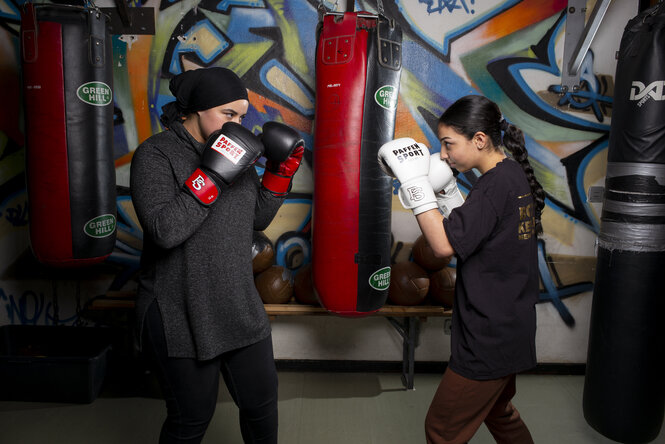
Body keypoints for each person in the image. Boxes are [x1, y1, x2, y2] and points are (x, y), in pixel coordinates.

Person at [130, 66, 304, 444]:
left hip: (236, 300)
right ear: (194, 110)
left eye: (242, 116)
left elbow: (254, 217)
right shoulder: (155, 155)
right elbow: (164, 231)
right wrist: (211, 175)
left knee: (261, 406)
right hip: (179, 307)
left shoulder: (236, 149)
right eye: (229, 114)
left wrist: (278, 175)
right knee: (191, 418)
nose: (237, 123)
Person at [378, 94, 545, 444]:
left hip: (488, 335)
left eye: (448, 143)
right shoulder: (510, 176)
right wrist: (448, 190)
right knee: (500, 414)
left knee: (442, 430)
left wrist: (414, 184)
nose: (443, 154)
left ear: (480, 140)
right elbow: (479, 230)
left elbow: (443, 245)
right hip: (510, 325)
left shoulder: (494, 185)